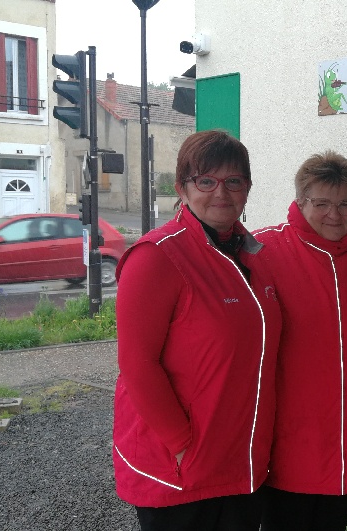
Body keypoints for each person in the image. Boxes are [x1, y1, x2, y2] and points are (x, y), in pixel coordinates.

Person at [112, 130, 282, 531]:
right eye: (206, 181)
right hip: (180, 468)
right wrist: (183, 444)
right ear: (182, 189)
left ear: (247, 189)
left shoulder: (253, 256)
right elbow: (137, 365)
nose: (221, 192)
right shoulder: (157, 257)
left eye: (234, 181)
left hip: (242, 459)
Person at [253, 151, 347, 530]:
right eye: (321, 203)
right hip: (288, 446)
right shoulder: (262, 252)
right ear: (299, 202)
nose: (334, 214)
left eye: (345, 203)